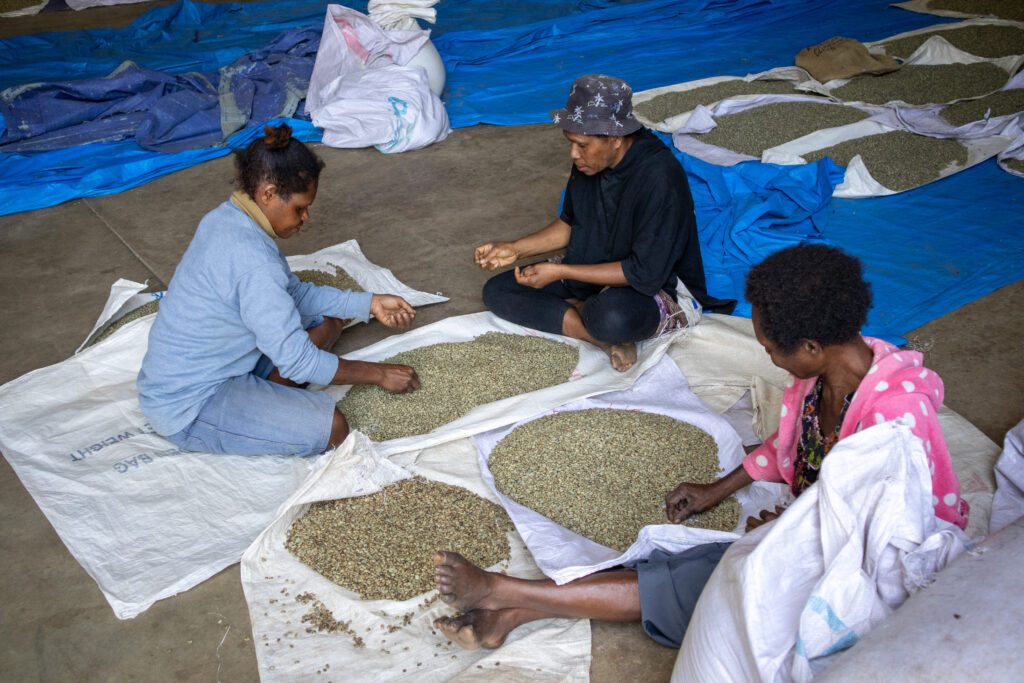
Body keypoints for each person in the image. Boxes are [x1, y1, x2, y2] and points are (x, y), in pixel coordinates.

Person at [432, 244, 967, 650]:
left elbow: (888, 532)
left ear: (809, 346)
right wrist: (718, 489)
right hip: (823, 527)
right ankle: (511, 612)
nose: (770, 360)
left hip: (878, 566)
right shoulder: (819, 376)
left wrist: (791, 532)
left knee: (710, 577)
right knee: (685, 554)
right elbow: (789, 446)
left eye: (771, 350)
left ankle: (506, 593)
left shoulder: (894, 422)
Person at [137, 123, 420, 457]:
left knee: (328, 322)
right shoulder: (254, 261)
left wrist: (369, 303)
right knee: (333, 428)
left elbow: (294, 295)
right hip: (192, 403)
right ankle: (259, 408)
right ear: (268, 194)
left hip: (226, 362)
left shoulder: (227, 217)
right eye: (299, 208)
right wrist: (378, 374)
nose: (305, 218)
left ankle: (266, 398)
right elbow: (299, 362)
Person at [475, 74, 733, 372]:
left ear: (615, 138)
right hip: (593, 266)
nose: (574, 154)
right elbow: (569, 224)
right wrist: (515, 249)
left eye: (582, 145)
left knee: (611, 317)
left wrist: (559, 270)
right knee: (499, 291)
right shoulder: (589, 163)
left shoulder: (659, 177)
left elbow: (644, 272)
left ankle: (589, 316)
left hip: (653, 284)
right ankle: (598, 338)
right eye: (571, 143)